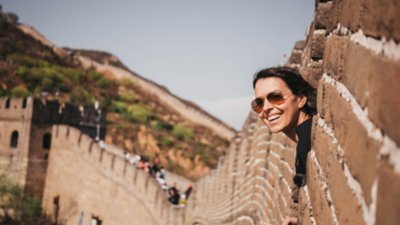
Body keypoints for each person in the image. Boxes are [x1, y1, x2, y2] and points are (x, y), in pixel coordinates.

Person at [251, 67, 316, 225]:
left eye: (276, 97)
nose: (266, 108)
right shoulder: (305, 138)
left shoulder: (308, 142)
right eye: (259, 103)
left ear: (301, 99)